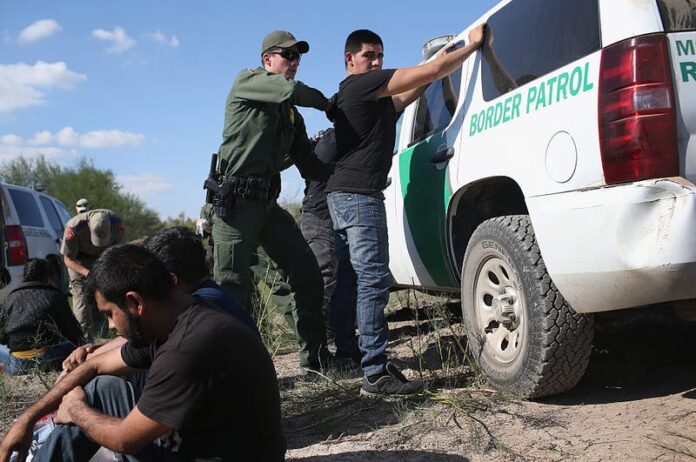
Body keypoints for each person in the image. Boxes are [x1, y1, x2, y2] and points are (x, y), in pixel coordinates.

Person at [0, 244, 285, 462]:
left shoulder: (188, 348)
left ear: (135, 303)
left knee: (88, 408)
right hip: (199, 443)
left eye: (109, 314)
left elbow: (125, 440)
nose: (110, 326)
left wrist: (75, 410)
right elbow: (94, 366)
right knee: (101, 388)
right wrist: (28, 418)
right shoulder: (173, 319)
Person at [326, 26, 486, 396]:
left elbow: (411, 91)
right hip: (359, 197)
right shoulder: (364, 84)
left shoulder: (360, 96)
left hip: (342, 196)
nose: (377, 62)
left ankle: (352, 356)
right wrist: (472, 45)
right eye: (369, 55)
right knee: (372, 281)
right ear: (350, 59)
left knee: (351, 280)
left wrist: (439, 61)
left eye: (380, 55)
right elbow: (430, 72)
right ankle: (375, 374)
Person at [210, 30, 332, 372]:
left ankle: (316, 360)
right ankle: (231, 373)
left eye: (298, 57)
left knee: (306, 273)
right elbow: (294, 90)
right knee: (231, 287)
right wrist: (330, 104)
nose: (295, 62)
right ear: (268, 60)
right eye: (288, 55)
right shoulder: (247, 81)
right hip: (235, 205)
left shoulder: (291, 116)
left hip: (267, 206)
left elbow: (311, 165)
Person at [61, 226, 261, 373]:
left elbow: (145, 343)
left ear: (170, 280)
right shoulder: (207, 295)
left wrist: (92, 359)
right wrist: (94, 352)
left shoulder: (202, 307)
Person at [0, 259, 83, 375]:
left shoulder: (11, 298)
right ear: (49, 277)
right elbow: (73, 333)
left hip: (16, 364)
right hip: (49, 360)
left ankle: (6, 367)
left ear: (24, 276)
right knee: (78, 347)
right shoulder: (55, 295)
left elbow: (2, 337)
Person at [60, 208, 125, 340]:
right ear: (89, 225)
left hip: (105, 258)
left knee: (115, 291)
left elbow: (121, 252)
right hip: (80, 261)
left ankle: (121, 332)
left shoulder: (117, 224)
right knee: (81, 297)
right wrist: (87, 273)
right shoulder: (74, 228)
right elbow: (68, 259)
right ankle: (84, 338)